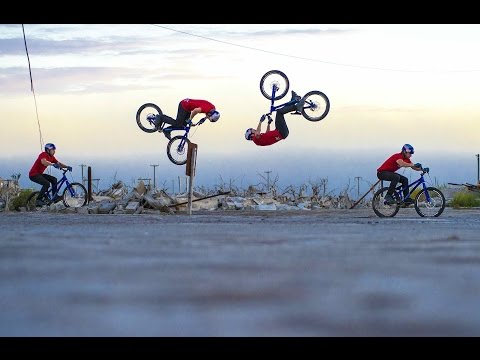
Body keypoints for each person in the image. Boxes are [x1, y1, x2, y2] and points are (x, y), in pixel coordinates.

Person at [152, 98, 220, 140]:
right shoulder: (206, 109)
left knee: (183, 125)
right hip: (184, 105)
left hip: (188, 108)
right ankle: (161, 117)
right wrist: (190, 120)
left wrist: (204, 119)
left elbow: (207, 114)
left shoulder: (212, 109)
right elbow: (195, 111)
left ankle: (167, 130)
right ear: (211, 114)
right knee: (178, 123)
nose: (208, 118)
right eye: (209, 118)